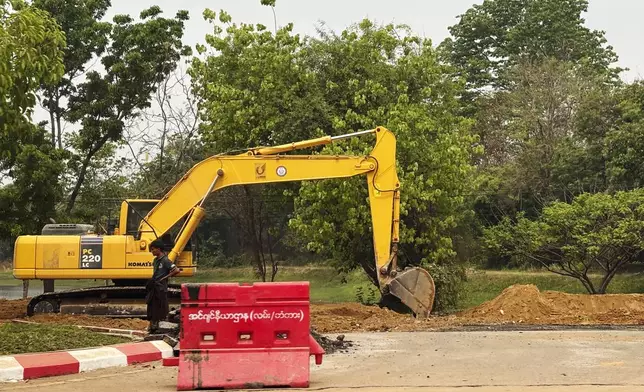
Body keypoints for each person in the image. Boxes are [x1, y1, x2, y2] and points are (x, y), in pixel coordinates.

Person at [145, 238, 180, 333]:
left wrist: (165, 278)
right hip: (154, 286)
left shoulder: (165, 260)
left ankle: (161, 326)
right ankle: (153, 326)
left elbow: (176, 270)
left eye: (153, 249)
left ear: (159, 249)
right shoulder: (155, 261)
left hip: (160, 288)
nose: (151, 251)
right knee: (152, 306)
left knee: (160, 307)